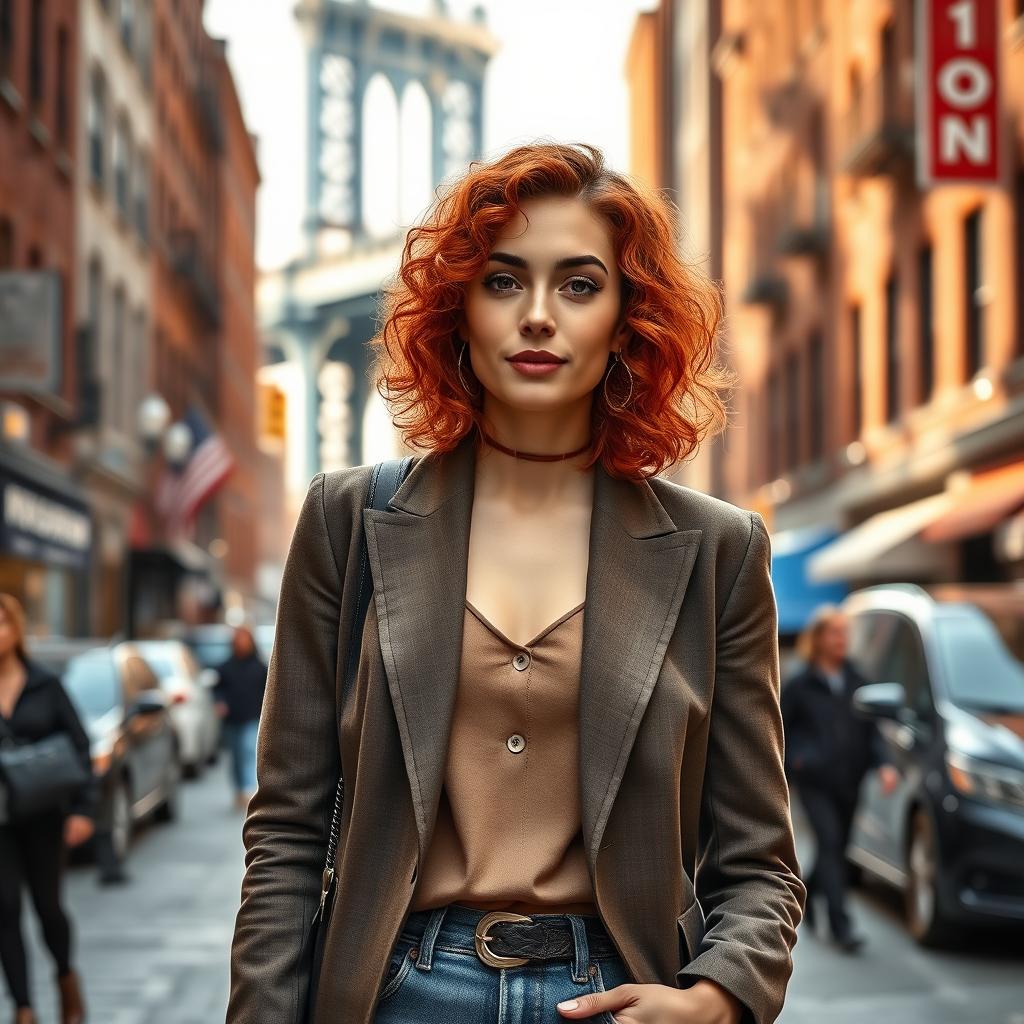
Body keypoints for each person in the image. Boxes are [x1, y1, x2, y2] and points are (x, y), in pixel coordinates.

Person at [226, 142, 805, 1024]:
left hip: (621, 994)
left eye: (579, 285)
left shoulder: (718, 551)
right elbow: (287, 832)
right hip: (395, 992)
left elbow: (760, 858)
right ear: (457, 310)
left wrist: (721, 997)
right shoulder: (347, 522)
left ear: (627, 318)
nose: (539, 315)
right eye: (503, 281)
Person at [0, 594, 98, 1024]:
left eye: (1, 623)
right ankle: (23, 1008)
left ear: (16, 630)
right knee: (3, 908)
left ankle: (65, 978)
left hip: (43, 816)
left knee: (48, 908)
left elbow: (80, 746)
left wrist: (82, 810)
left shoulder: (45, 683)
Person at [781, 604, 901, 953]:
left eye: (845, 633)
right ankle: (841, 924)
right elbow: (780, 732)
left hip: (851, 778)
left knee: (834, 848)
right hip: (815, 781)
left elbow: (872, 728)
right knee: (831, 844)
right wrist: (793, 768)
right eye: (834, 632)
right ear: (818, 639)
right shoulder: (801, 683)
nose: (841, 640)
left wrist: (885, 764)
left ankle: (808, 899)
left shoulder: (856, 678)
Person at [213, 626, 267, 810]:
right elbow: (217, 690)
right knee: (235, 756)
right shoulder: (225, 667)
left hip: (251, 717)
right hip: (232, 719)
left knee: (247, 752)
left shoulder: (260, 667)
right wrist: (219, 703)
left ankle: (247, 790)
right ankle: (238, 790)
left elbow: (268, 693)